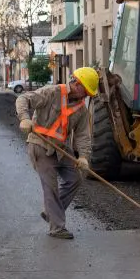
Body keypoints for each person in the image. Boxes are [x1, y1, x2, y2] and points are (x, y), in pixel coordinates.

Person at [16, 67, 99, 240]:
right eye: (86, 91)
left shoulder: (81, 110)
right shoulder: (52, 92)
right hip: (40, 144)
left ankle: (50, 211)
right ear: (77, 84)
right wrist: (24, 118)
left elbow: (83, 135)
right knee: (51, 187)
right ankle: (57, 228)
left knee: (76, 178)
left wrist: (83, 157)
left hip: (61, 149)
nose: (86, 96)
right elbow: (23, 98)